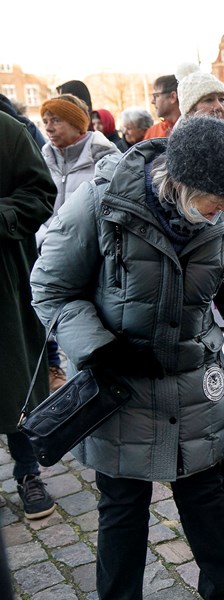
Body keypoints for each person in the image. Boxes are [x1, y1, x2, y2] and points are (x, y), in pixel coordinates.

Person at [30, 116, 224, 599]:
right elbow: (50, 287)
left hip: (193, 386)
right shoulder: (102, 202)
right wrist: (100, 350)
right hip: (119, 386)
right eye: (219, 198)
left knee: (206, 502)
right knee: (124, 509)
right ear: (180, 181)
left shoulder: (223, 218)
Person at [1, 111, 58, 521]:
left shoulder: (7, 130)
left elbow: (40, 194)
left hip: (2, 279)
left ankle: (27, 471)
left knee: (12, 375)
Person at [38, 94, 120, 248]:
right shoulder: (41, 162)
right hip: (47, 252)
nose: (48, 128)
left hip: (91, 255)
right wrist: (42, 239)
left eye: (56, 120)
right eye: (45, 122)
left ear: (77, 123)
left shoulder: (106, 161)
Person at [144, 74, 180, 140]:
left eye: (156, 96)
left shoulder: (193, 130)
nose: (152, 101)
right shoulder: (152, 133)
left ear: (173, 97)